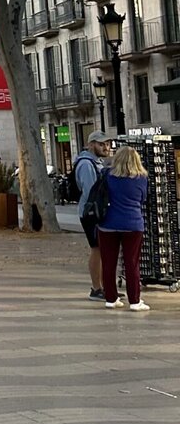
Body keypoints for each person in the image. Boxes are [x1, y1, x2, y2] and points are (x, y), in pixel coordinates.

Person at [98, 144, 150, 310]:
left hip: (108, 223)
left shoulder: (107, 175)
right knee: (132, 263)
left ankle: (111, 298)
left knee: (108, 263)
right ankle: (134, 300)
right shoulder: (141, 177)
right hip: (132, 223)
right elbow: (143, 199)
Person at [74, 131, 111, 300]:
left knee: (101, 249)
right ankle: (97, 288)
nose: (106, 147)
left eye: (107, 144)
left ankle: (103, 287)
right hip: (91, 213)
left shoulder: (95, 162)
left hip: (94, 211)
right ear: (91, 145)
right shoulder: (86, 164)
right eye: (101, 144)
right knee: (97, 249)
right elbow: (91, 191)